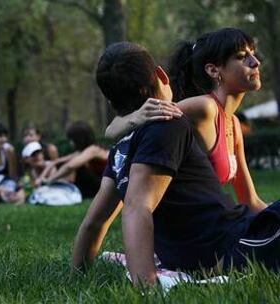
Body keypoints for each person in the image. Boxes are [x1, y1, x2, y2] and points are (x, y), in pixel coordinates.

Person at [72, 41, 280, 287]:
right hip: (236, 244)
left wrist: (76, 278)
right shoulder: (169, 124)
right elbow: (137, 207)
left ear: (111, 103)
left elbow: (94, 223)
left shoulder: (121, 149)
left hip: (226, 244)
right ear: (161, 75)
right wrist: (145, 286)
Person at [105, 28, 266, 213]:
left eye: (253, 54)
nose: (255, 62)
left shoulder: (235, 125)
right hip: (189, 228)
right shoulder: (204, 108)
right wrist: (138, 116)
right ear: (213, 70)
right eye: (241, 56)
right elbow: (111, 131)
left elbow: (250, 201)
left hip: (214, 221)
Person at [44, 121, 108, 198]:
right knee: (73, 163)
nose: (70, 143)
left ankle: (72, 191)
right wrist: (42, 178)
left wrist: (50, 180)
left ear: (78, 139)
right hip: (101, 183)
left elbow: (69, 167)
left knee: (79, 167)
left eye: (71, 140)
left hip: (106, 185)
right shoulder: (83, 151)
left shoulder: (93, 149)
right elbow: (56, 162)